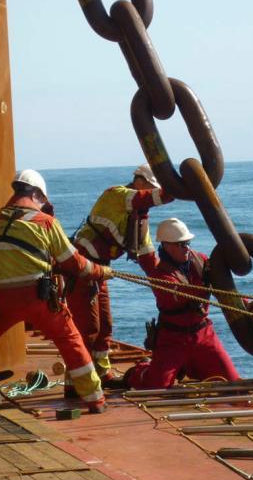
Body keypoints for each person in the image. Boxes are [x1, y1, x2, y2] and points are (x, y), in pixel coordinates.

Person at [0, 169, 113, 413]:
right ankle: (95, 399)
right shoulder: (46, 223)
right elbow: (75, 263)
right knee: (70, 341)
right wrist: (102, 272)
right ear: (38, 195)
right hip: (38, 298)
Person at [66, 164, 173, 387]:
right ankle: (76, 383)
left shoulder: (139, 219)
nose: (150, 191)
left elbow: (148, 259)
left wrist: (169, 285)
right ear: (139, 181)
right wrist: (181, 189)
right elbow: (152, 197)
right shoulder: (116, 195)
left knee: (105, 325)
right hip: (82, 267)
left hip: (100, 272)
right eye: (149, 186)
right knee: (87, 327)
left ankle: (102, 374)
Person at [126, 218, 240, 389]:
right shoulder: (159, 275)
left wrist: (248, 306)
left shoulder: (200, 260)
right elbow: (181, 293)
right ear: (165, 246)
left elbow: (226, 290)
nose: (186, 248)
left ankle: (188, 366)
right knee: (156, 386)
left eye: (187, 242)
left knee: (232, 380)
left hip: (203, 336)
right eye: (180, 244)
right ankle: (141, 370)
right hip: (173, 340)